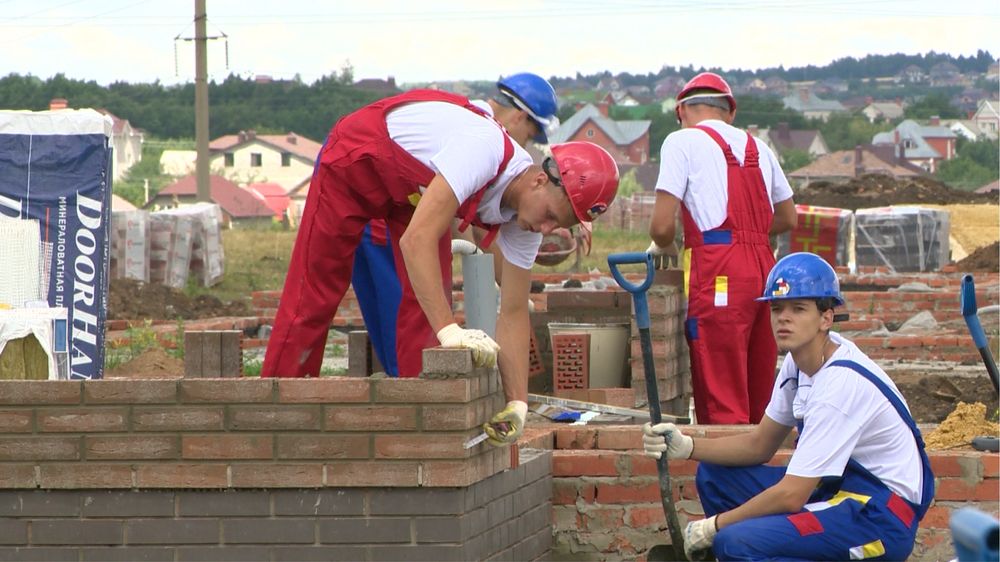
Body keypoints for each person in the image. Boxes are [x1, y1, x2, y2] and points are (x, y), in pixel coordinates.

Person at [261, 86, 619, 447]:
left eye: (558, 226)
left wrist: (517, 403)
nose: (546, 230)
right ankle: (272, 423)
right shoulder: (483, 149)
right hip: (355, 161)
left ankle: (422, 437)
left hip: (409, 191)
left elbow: (512, 312)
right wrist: (451, 330)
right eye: (550, 216)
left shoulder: (526, 223)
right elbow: (415, 241)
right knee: (315, 295)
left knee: (425, 309)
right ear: (541, 179)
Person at [642, 252, 934, 561]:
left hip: (878, 521)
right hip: (837, 494)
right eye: (776, 308)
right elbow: (760, 444)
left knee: (735, 543)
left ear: (826, 317)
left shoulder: (839, 385)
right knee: (714, 476)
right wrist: (687, 446)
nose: (783, 318)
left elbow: (793, 495)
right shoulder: (798, 365)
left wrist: (714, 527)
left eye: (798, 309)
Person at [350, 72, 561, 377]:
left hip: (404, 217)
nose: (526, 147)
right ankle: (408, 406)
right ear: (518, 117)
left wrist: (511, 290)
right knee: (409, 324)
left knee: (409, 326)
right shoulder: (481, 133)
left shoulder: (489, 134)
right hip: (391, 218)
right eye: (530, 135)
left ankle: (405, 401)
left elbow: (480, 222)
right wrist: (484, 275)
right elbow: (462, 221)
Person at [647, 71, 797, 424]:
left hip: (717, 267)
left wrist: (664, 245)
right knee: (759, 391)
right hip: (764, 266)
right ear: (730, 112)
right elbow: (788, 217)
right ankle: (762, 472)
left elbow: (661, 225)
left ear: (681, 111)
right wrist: (753, 235)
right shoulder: (759, 147)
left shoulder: (681, 142)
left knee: (721, 391)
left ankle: (727, 476)